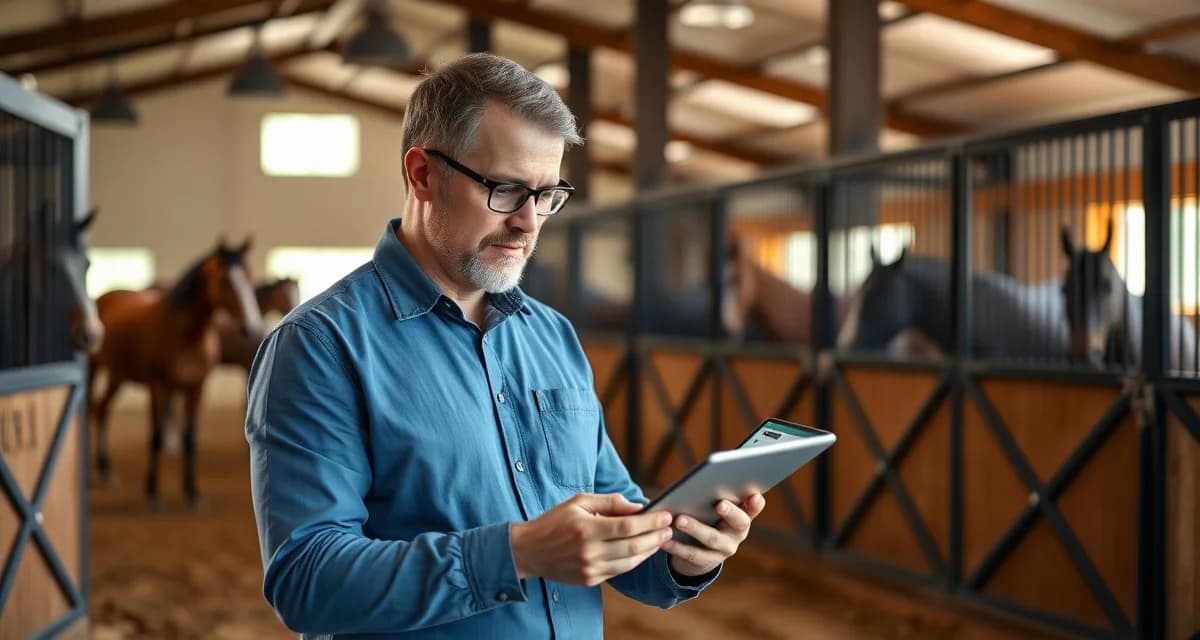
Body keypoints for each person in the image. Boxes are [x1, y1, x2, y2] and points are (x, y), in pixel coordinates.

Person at [245, 53, 765, 639]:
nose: (529, 222)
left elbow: (614, 514)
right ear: (422, 174)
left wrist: (680, 552)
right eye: (507, 189)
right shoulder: (318, 346)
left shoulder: (551, 336)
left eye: (547, 195)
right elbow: (307, 580)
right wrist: (516, 553)